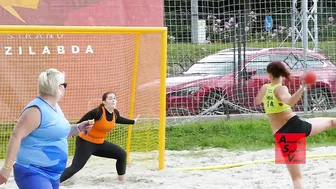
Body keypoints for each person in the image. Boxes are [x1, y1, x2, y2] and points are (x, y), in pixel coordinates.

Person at [0, 68, 94, 189]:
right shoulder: (35, 110)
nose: (65, 88)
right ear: (57, 87)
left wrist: (78, 127)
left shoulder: (55, 107)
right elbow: (15, 137)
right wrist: (7, 168)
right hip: (33, 171)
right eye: (64, 85)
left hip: (54, 174)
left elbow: (57, 132)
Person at [255, 61, 336, 189]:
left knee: (296, 178)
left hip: (281, 135)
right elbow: (291, 102)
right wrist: (302, 88)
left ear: (269, 75)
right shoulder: (281, 89)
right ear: (282, 75)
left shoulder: (265, 88)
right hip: (295, 127)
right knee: (331, 121)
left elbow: (258, 101)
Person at [60, 91, 139, 183]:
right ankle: (52, 182)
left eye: (114, 98)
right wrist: (71, 133)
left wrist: (132, 122)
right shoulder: (98, 112)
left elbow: (119, 119)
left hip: (99, 143)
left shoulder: (115, 113)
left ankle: (121, 182)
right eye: (110, 98)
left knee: (122, 154)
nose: (113, 100)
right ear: (104, 102)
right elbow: (82, 121)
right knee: (76, 167)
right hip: (86, 142)